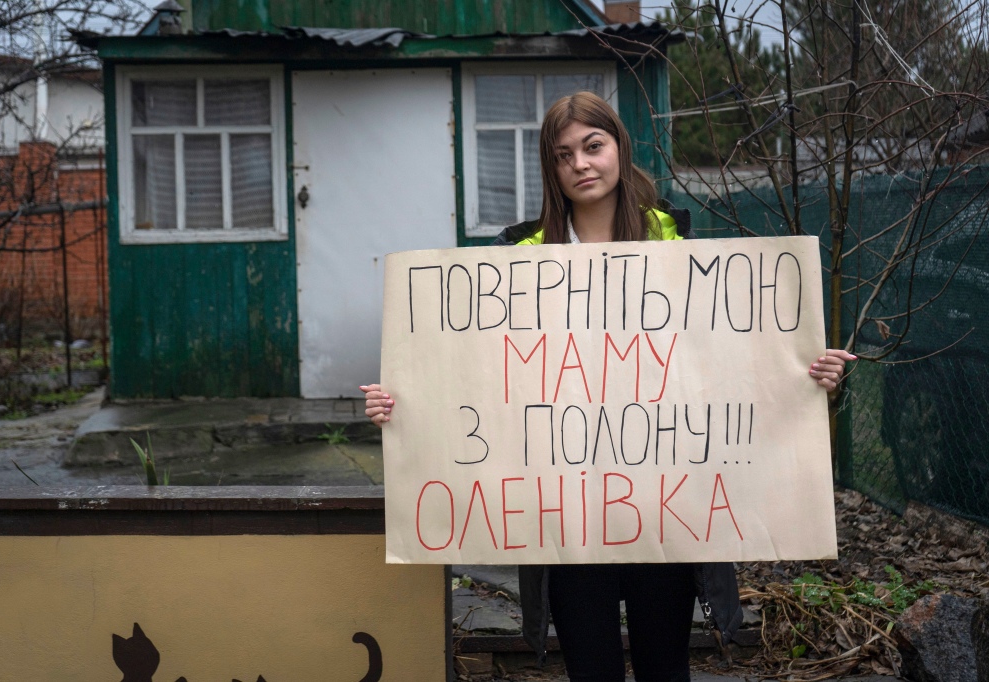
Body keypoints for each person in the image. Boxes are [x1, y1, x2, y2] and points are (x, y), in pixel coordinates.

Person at [360, 92, 854, 682]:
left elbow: (735, 371)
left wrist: (814, 378)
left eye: (593, 146)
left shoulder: (680, 250)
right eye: (564, 154)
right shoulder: (516, 264)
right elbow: (472, 380)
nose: (581, 164)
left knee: (664, 670)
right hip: (568, 525)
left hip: (664, 517)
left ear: (619, 147)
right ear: (552, 167)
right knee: (590, 673)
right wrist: (403, 404)